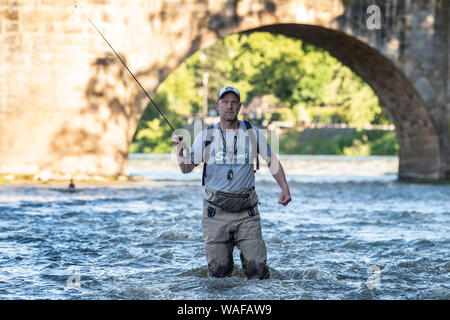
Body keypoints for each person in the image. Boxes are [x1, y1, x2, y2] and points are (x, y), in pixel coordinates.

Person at [172, 86, 291, 280]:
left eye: (234, 102)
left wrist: (284, 187)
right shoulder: (206, 136)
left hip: (247, 213)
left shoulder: (253, 134)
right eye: (225, 102)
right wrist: (180, 147)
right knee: (218, 273)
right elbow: (186, 168)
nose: (229, 106)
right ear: (218, 105)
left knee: (258, 271)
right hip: (215, 213)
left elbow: (272, 161)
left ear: (240, 106)